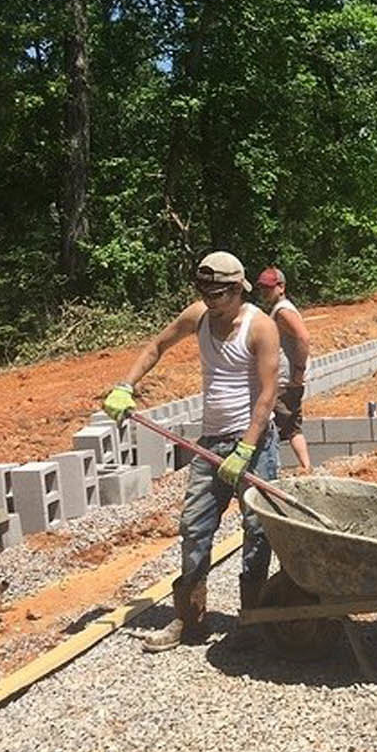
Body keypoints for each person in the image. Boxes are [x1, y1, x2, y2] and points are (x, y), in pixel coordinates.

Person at [102, 251, 280, 653]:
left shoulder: (260, 327)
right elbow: (156, 346)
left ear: (238, 289)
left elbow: (268, 394)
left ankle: (252, 620)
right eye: (205, 292)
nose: (210, 301)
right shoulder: (198, 316)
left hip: (254, 445)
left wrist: (246, 447)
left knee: (258, 529)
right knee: (194, 526)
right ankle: (189, 618)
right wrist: (126, 385)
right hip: (211, 442)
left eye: (218, 294)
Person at [254, 266, 313, 473]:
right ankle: (305, 466)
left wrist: (298, 370)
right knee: (292, 425)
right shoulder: (282, 309)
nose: (264, 292)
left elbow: (303, 337)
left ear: (281, 287)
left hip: (284, 381)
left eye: (269, 288)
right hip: (289, 380)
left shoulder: (283, 311)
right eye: (262, 288)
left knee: (269, 428)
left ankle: (268, 470)